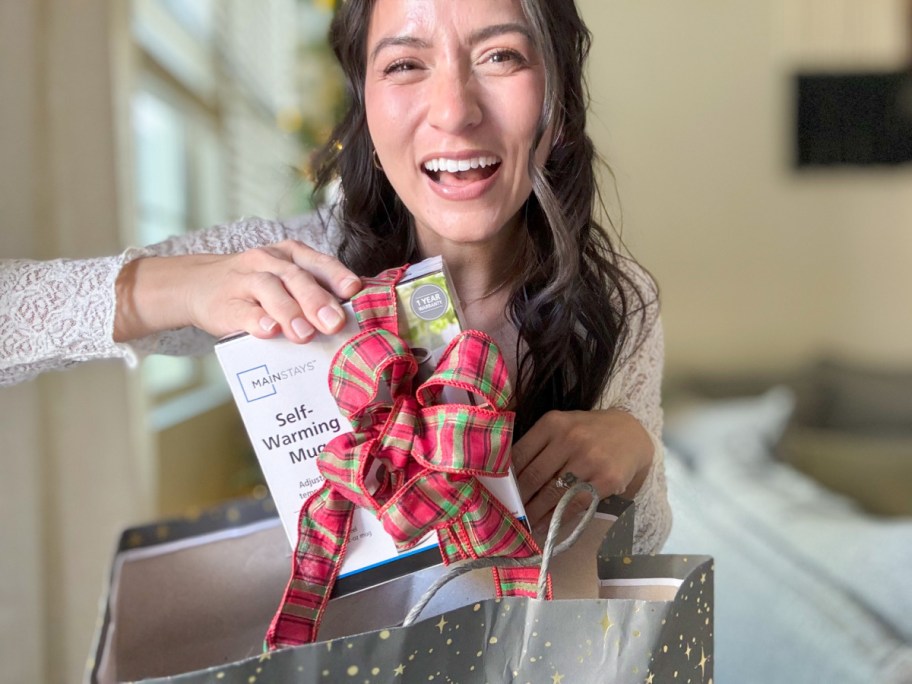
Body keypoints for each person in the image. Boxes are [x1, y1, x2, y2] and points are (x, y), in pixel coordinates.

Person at [0, 0, 670, 553]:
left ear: (558, 102)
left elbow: (641, 564)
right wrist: (179, 287)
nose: (454, 111)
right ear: (366, 110)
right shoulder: (300, 260)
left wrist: (636, 452)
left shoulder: (613, 299)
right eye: (406, 64)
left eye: (501, 56)